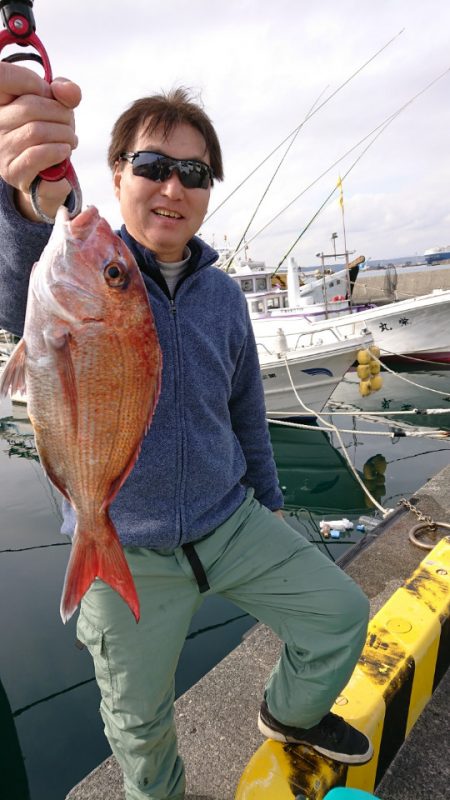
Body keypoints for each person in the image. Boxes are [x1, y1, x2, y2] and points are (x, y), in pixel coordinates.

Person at [0, 62, 372, 800]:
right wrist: (21, 198)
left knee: (341, 614)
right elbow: (24, 276)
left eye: (195, 173)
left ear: (207, 192)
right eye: (153, 165)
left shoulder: (227, 297)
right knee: (138, 720)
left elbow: (245, 412)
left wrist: (266, 501)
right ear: (116, 172)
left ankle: (288, 713)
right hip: (120, 541)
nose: (173, 187)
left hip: (228, 519)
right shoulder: (81, 264)